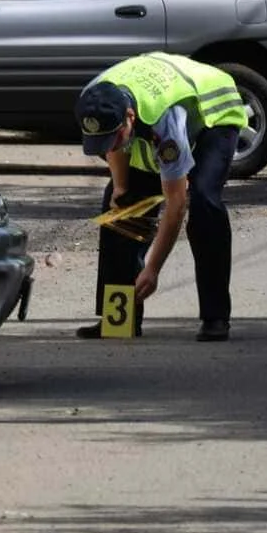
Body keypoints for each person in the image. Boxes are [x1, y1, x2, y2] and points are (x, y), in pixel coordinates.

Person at [73, 52, 246, 342]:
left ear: (129, 117)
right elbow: (115, 145)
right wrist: (120, 187)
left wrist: (152, 270)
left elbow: (176, 203)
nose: (109, 146)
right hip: (150, 108)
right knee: (121, 208)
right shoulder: (94, 99)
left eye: (114, 137)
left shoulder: (166, 123)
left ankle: (215, 316)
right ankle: (120, 317)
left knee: (204, 202)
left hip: (213, 112)